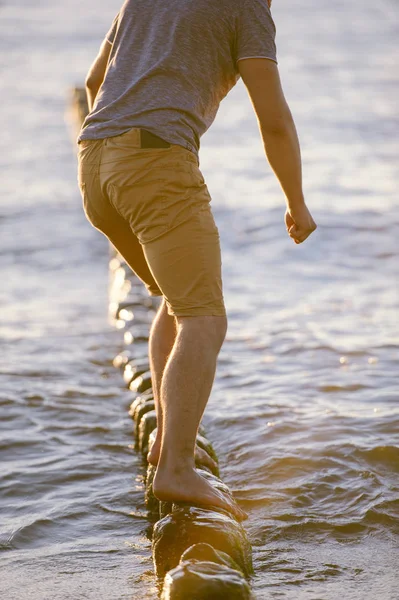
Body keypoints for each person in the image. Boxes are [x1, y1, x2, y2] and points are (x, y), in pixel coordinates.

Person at [77, 0, 316, 522]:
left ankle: (169, 440)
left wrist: (123, 148)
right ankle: (178, 470)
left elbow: (96, 81)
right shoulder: (247, 7)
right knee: (205, 318)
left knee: (177, 300)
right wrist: (296, 201)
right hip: (155, 159)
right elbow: (273, 120)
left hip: (94, 165)